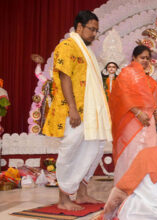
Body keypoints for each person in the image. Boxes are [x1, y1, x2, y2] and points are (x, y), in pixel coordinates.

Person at [42, 11, 112, 210]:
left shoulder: (87, 50)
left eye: (96, 31)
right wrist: (72, 108)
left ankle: (81, 193)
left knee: (94, 147)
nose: (94, 34)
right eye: (91, 29)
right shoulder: (67, 46)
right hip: (73, 110)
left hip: (90, 112)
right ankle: (63, 198)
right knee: (71, 150)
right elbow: (65, 77)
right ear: (78, 27)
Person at [109, 45, 157, 184]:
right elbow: (123, 95)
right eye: (142, 57)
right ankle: (126, 187)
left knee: (149, 152)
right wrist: (138, 113)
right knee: (131, 153)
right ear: (134, 58)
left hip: (148, 122)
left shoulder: (149, 79)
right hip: (132, 120)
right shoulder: (127, 73)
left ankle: (145, 188)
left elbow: (154, 100)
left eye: (147, 58)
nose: (145, 60)